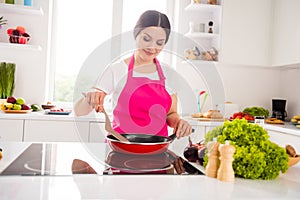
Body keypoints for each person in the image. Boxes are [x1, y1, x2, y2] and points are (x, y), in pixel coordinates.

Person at [75, 10, 192, 139]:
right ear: (136, 34)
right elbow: (80, 111)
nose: (152, 47)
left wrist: (179, 123)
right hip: (120, 148)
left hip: (156, 149)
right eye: (146, 39)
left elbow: (170, 114)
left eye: (159, 43)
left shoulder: (169, 74)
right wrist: (90, 97)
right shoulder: (117, 69)